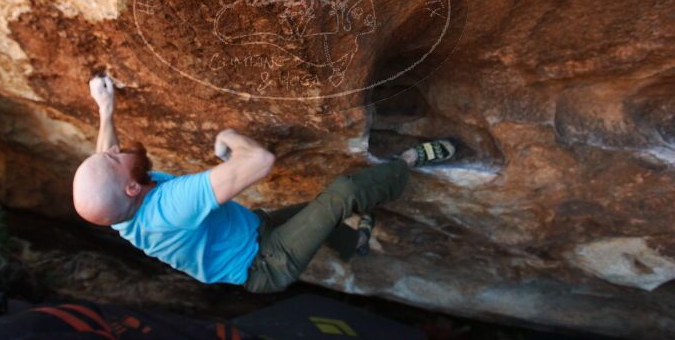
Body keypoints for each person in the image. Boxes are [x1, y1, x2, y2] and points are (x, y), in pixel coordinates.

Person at [72, 74, 456, 293]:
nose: (112, 150)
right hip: (267, 263)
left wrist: (105, 108)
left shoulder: (119, 210)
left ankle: (355, 245)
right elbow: (260, 162)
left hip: (255, 231)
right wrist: (228, 137)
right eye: (111, 159)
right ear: (132, 189)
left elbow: (108, 158)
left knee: (320, 218)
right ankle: (408, 163)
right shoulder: (171, 206)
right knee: (343, 194)